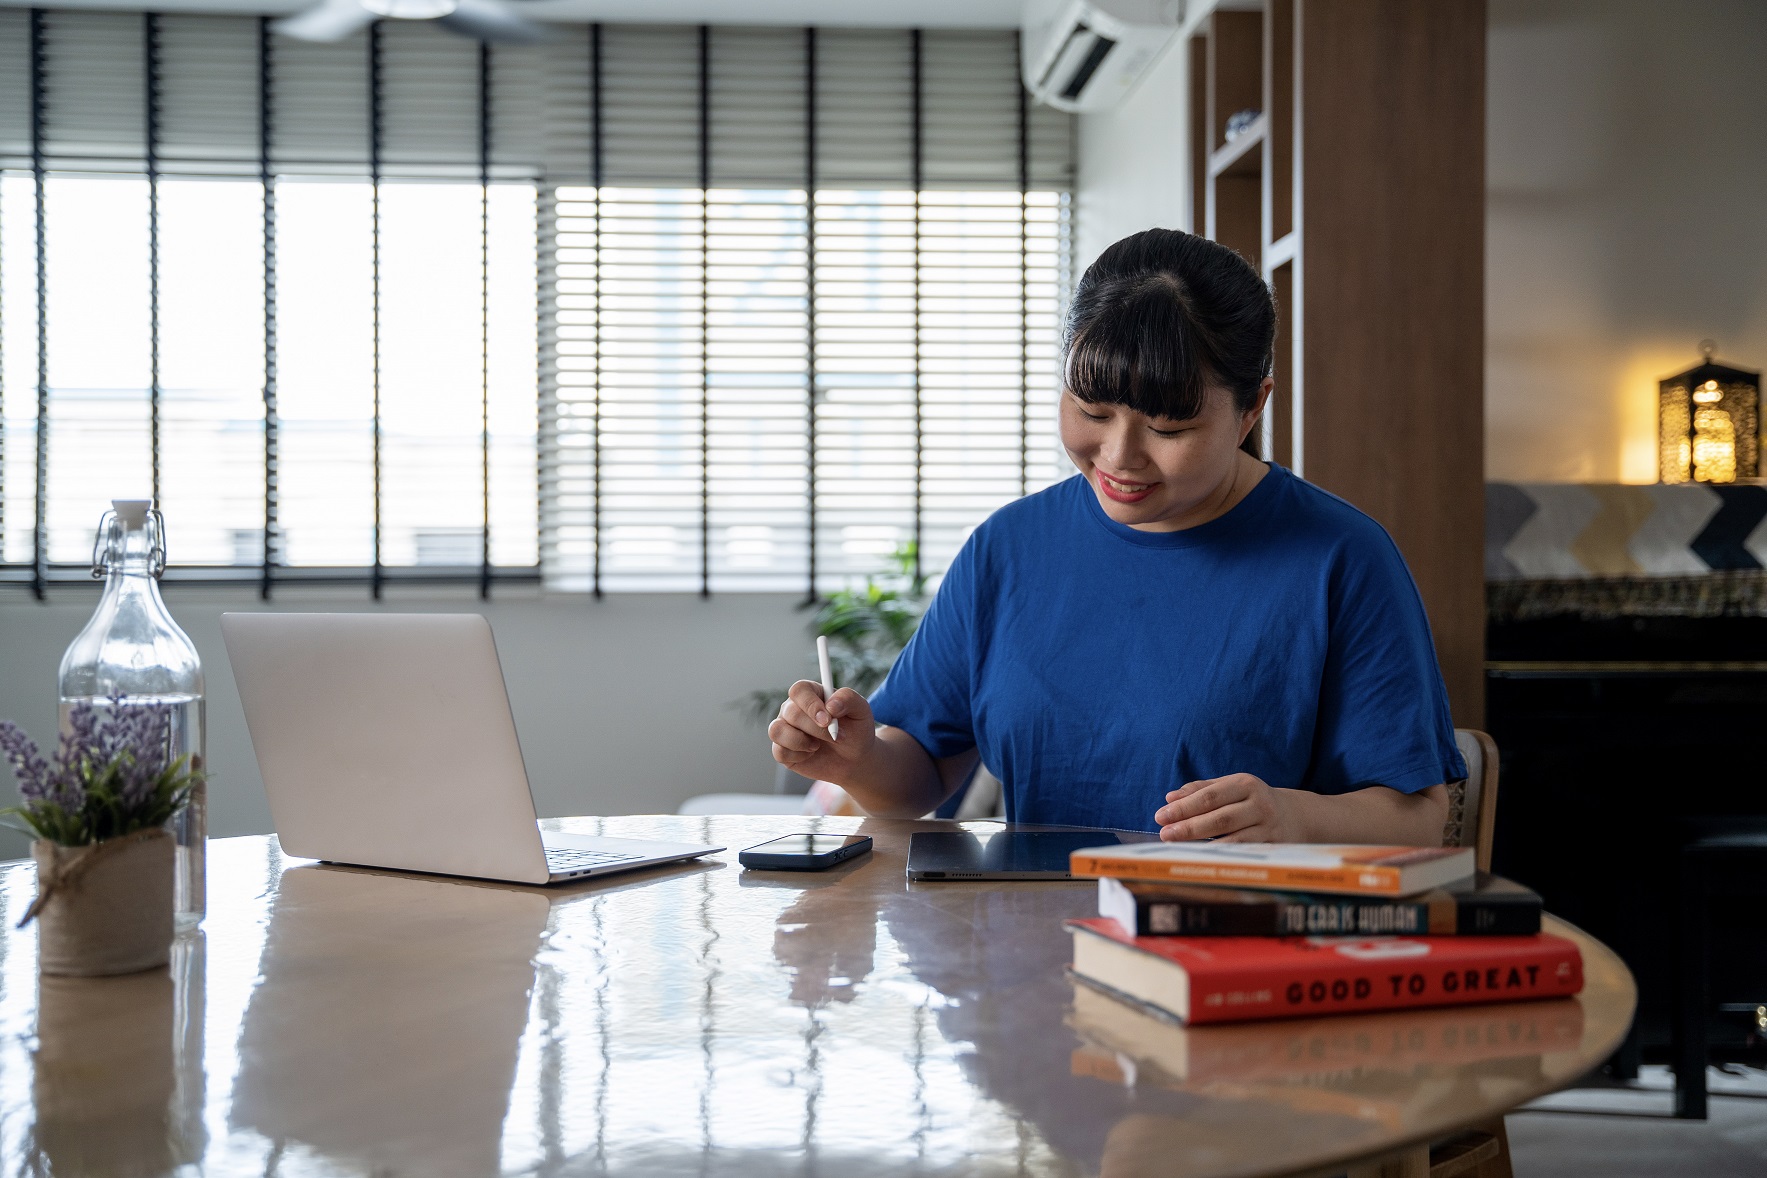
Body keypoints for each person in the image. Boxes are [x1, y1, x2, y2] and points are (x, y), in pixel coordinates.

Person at [769, 228, 1466, 842]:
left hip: (1228, 952)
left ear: (1252, 405)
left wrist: (1292, 819)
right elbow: (919, 775)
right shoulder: (1009, 549)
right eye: (1091, 409)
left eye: (1168, 428)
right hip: (1028, 950)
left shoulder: (1340, 559)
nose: (1119, 455)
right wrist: (855, 761)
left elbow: (1416, 814)